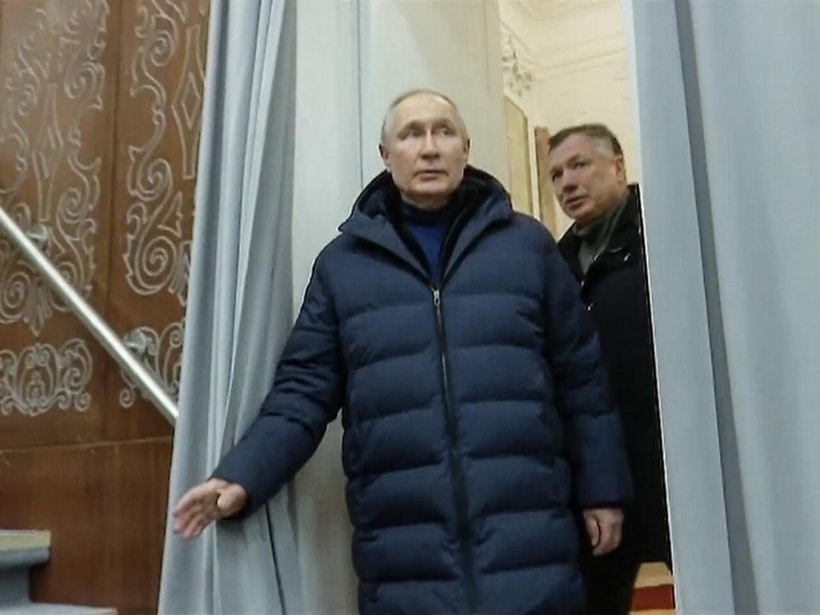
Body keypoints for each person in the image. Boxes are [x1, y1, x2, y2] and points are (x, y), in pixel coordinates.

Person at [173, 90, 632, 615]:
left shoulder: (528, 246)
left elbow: (582, 379)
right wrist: (242, 476)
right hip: (405, 559)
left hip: (531, 546)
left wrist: (603, 490)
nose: (430, 148)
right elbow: (302, 392)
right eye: (412, 134)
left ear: (465, 149)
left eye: (444, 132)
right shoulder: (343, 267)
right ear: (386, 155)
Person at [547, 123, 671, 615]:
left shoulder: (662, 235)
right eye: (556, 174)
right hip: (602, 474)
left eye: (579, 165)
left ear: (618, 167)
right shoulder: (555, 264)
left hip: (669, 459)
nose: (567, 183)